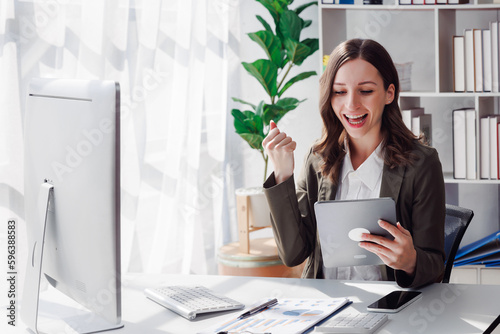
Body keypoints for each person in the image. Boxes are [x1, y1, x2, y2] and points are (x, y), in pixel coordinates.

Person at [262, 38, 445, 289]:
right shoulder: (318, 159)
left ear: (389, 93)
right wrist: (282, 174)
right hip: (326, 308)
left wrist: (410, 260)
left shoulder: (421, 164)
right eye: (340, 92)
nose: (351, 105)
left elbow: (434, 265)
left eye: (366, 91)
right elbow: (293, 254)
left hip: (391, 308)